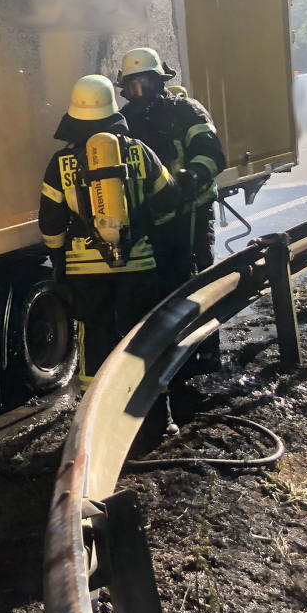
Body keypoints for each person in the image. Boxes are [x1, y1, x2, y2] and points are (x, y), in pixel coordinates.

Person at [39, 75, 180, 390]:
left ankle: (93, 407)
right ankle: (145, 404)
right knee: (141, 334)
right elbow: (170, 199)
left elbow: (50, 221)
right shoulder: (139, 151)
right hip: (138, 263)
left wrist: (58, 256)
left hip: (85, 269)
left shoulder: (61, 162)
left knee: (94, 334)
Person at [117, 47, 227, 374]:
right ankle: (170, 359)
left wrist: (192, 176)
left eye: (146, 84)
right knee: (161, 286)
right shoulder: (125, 120)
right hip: (155, 218)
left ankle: (207, 355)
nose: (140, 93)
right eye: (133, 86)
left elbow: (212, 154)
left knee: (198, 281)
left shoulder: (185, 111)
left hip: (191, 212)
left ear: (159, 80)